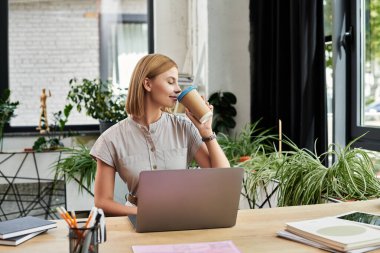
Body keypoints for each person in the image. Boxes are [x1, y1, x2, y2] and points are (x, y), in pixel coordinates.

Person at [90, 53, 230, 216]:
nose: (178, 89)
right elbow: (102, 202)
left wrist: (206, 132)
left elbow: (223, 178)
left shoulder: (184, 127)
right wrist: (144, 213)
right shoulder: (110, 139)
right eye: (171, 82)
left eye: (177, 82)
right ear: (148, 84)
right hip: (137, 217)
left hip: (181, 215)